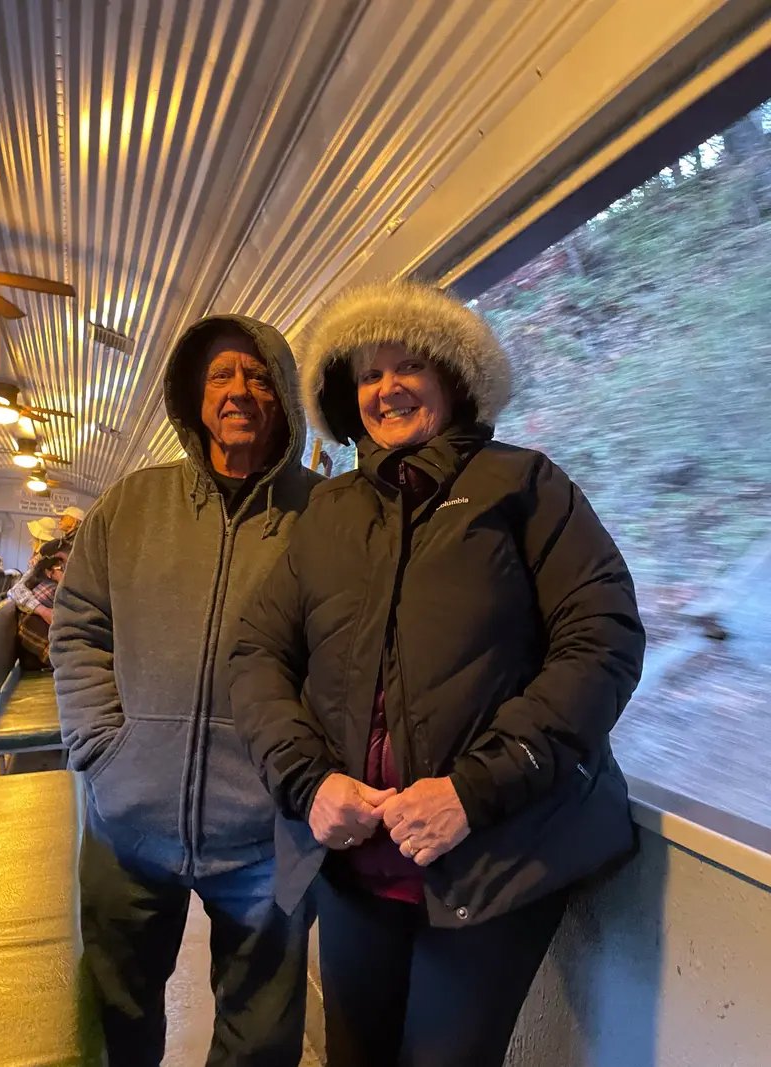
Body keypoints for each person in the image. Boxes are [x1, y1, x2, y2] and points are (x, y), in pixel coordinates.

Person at [229, 280, 646, 1067]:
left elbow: (602, 639)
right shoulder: (330, 512)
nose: (388, 386)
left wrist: (472, 790)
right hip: (354, 865)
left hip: (493, 858)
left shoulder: (525, 487)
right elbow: (257, 653)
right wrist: (308, 781)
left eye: (409, 364)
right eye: (369, 373)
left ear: (453, 377)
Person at [50, 315, 322, 1067]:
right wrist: (103, 748)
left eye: (258, 375)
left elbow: (348, 656)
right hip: (127, 827)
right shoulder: (131, 504)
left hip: (264, 840)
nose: (239, 391)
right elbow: (78, 625)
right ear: (191, 396)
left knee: (261, 1039)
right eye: (221, 376)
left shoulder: (325, 515)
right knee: (115, 1020)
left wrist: (298, 783)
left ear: (285, 397)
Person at [16, 554, 64, 669]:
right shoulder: (50, 594)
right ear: (49, 572)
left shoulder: (51, 592)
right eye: (62, 568)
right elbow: (15, 590)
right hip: (50, 661)